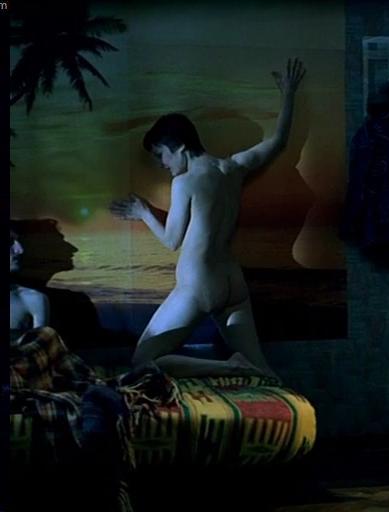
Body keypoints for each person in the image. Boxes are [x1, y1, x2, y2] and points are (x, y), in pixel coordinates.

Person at [110, 58, 306, 380]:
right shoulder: (233, 168)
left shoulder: (184, 182)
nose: (161, 164)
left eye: (160, 155)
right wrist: (288, 94)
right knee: (264, 371)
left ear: (179, 147)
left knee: (143, 360)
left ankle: (230, 367)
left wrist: (144, 213)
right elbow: (278, 141)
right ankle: (290, 405)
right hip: (233, 283)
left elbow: (172, 240)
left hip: (199, 285)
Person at [10, 227, 50, 344]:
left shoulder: (32, 299)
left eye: (18, 242)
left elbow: (38, 349)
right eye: (10, 242)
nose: (20, 250)